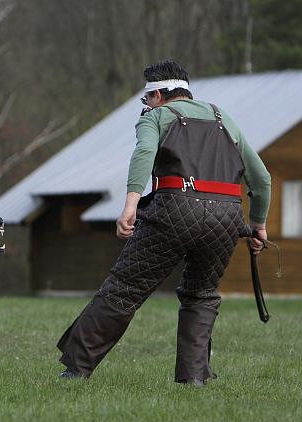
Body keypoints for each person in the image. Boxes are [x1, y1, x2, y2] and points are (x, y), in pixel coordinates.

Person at [57, 59, 271, 385]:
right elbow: (262, 179)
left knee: (125, 289)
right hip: (226, 219)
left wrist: (130, 204)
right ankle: (194, 378)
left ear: (158, 95)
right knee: (200, 295)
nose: (144, 106)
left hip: (174, 211)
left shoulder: (155, 117)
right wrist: (258, 225)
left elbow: (143, 153)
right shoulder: (221, 117)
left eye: (145, 100)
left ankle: (76, 370)